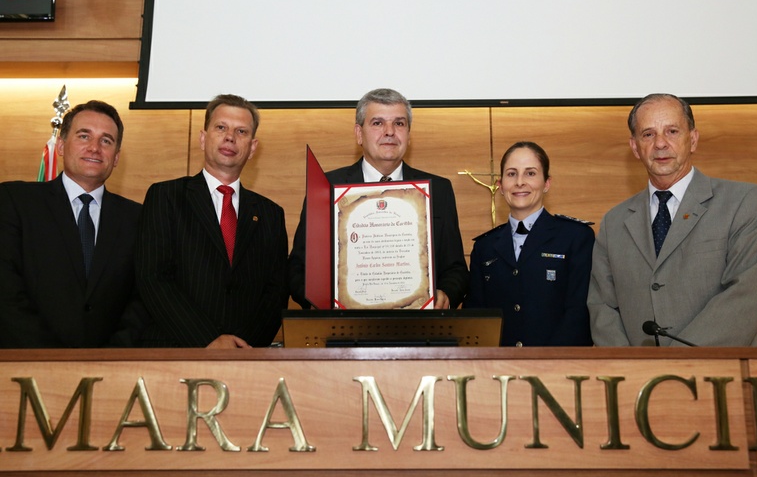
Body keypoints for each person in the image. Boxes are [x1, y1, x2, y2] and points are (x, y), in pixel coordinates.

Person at [588, 93, 757, 346]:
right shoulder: (614, 222)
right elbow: (603, 308)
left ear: (693, 139)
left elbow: (746, 295)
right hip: (638, 378)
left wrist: (675, 363)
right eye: (648, 134)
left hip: (723, 376)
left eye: (672, 131)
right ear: (634, 147)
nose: (660, 144)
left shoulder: (746, 202)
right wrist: (629, 368)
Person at [288, 88, 469, 310]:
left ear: (409, 135)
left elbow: (456, 269)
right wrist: (320, 302)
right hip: (344, 330)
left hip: (419, 329)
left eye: (399, 123)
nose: (390, 131)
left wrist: (446, 294)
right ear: (359, 133)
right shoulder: (325, 188)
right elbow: (299, 268)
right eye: (377, 123)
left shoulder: (439, 190)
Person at [136, 94, 288, 348]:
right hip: (175, 351)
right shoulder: (165, 197)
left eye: (241, 131)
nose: (230, 137)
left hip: (246, 357)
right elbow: (153, 278)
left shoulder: (271, 213)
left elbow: (276, 293)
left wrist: (241, 345)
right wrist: (208, 340)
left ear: (252, 148)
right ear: (203, 138)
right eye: (221, 128)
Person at [0, 100, 145, 348]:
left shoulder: (138, 218)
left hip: (111, 369)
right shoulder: (15, 202)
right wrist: (51, 358)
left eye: (106, 140)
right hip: (25, 365)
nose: (95, 148)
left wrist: (110, 358)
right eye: (84, 136)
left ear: (117, 157)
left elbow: (141, 300)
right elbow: (6, 289)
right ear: (61, 146)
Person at [463, 142, 594, 346]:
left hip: (558, 366)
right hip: (499, 368)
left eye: (530, 173)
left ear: (547, 183)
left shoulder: (575, 237)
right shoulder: (485, 247)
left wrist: (547, 363)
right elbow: (476, 318)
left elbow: (578, 312)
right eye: (512, 174)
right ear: (500, 185)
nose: (520, 182)